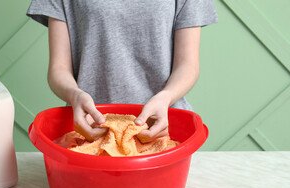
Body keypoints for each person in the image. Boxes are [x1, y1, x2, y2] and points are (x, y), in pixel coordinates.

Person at [27, 0, 218, 142]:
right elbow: (58, 68)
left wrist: (166, 97)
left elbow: (187, 65)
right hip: (90, 132)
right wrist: (74, 95)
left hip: (163, 131)